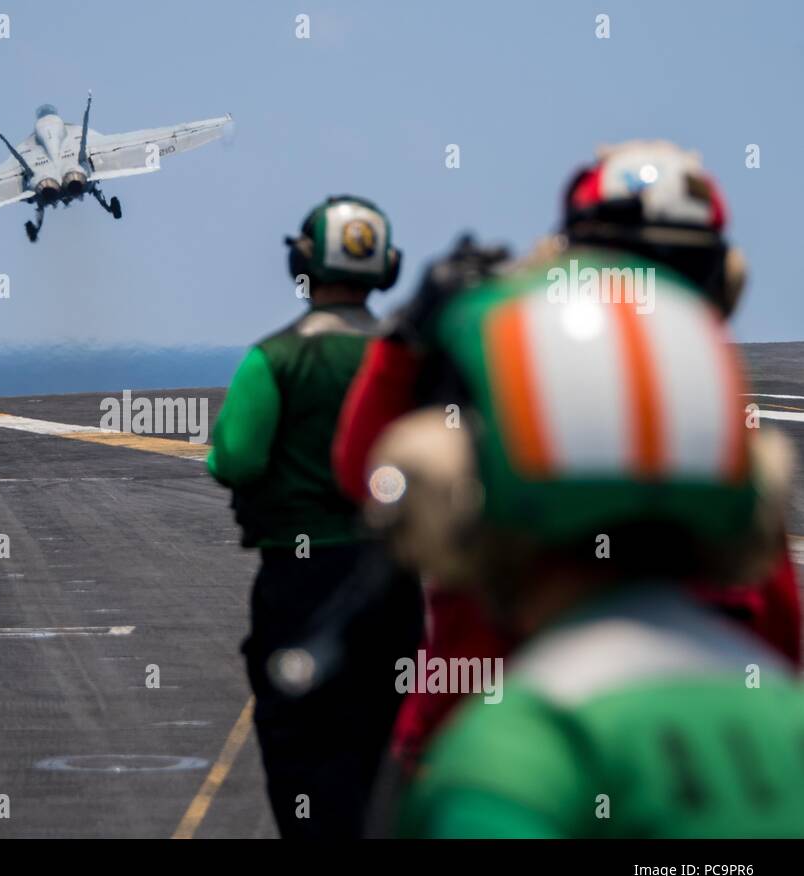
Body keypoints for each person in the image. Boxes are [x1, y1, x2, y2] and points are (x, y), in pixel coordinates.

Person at [331, 142, 801, 773]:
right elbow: (778, 635)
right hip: (693, 766)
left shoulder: (501, 364)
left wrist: (407, 339)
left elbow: (365, 471)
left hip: (484, 751)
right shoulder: (715, 416)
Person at [207, 196, 422, 838]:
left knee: (301, 747)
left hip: (299, 584)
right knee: (384, 746)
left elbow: (236, 460)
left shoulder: (274, 358)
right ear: (386, 268)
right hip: (394, 581)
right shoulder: (405, 357)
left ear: (303, 263)